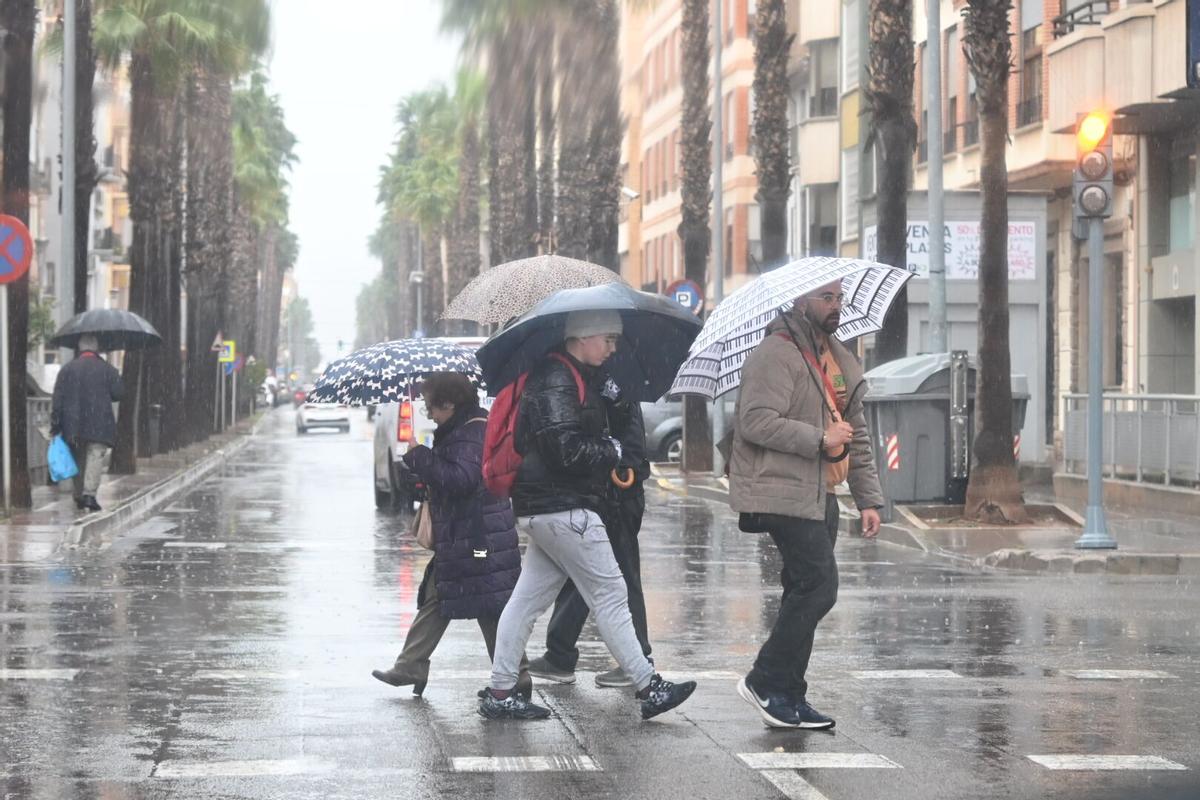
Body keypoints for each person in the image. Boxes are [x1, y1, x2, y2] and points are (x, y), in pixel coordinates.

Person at [478, 310, 695, 721]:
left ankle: (501, 691)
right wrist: (612, 449)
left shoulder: (573, 375)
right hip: (565, 508)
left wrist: (612, 399)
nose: (613, 347)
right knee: (610, 594)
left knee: (525, 602)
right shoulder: (557, 378)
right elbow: (564, 448)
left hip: (549, 508)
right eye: (608, 338)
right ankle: (648, 685)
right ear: (582, 337)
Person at [728, 280, 884, 730]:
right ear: (800, 301)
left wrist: (868, 498)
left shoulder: (837, 358)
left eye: (839, 298)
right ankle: (764, 679)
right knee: (819, 586)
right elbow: (755, 422)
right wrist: (818, 438)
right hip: (784, 491)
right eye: (827, 298)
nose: (836, 306)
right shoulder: (776, 353)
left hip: (823, 493)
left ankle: (789, 695)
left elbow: (856, 432)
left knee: (802, 590)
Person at [371, 372, 530, 698]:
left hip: (478, 539)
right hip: (466, 536)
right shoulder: (461, 429)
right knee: (438, 595)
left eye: (432, 407)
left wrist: (420, 456)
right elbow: (449, 478)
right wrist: (420, 472)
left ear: (450, 403)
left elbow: (462, 479)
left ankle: (517, 675)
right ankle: (411, 665)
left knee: (490, 605)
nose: (429, 414)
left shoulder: (472, 432)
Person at [527, 388, 653, 688]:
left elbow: (629, 437)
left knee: (620, 575)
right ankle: (559, 654)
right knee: (582, 570)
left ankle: (636, 658)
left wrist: (620, 463)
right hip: (605, 490)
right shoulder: (607, 382)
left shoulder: (614, 386)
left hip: (617, 492)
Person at [50, 335, 124, 512]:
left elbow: (57, 400)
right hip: (99, 423)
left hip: (72, 424)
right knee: (95, 455)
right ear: (96, 349)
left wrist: (56, 424)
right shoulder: (107, 369)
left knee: (78, 458)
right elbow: (119, 394)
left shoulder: (67, 369)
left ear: (80, 348)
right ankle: (89, 495)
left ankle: (79, 495)